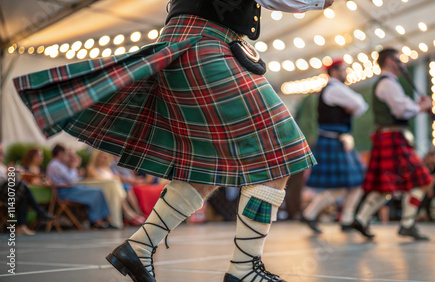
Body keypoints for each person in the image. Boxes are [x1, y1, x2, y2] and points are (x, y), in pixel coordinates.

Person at [14, 1, 335, 281]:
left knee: (208, 169)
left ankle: (139, 248)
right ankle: (243, 268)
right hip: (208, 45)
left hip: (188, 43)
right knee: (282, 150)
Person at [351, 48, 433, 241]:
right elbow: (401, 110)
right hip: (393, 138)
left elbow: (402, 105)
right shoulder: (388, 83)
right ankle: (407, 223)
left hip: (389, 138)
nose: (402, 64)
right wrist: (421, 107)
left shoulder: (389, 83)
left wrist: (417, 106)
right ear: (389, 61)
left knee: (386, 185)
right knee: (423, 180)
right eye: (399, 60)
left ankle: (361, 219)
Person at [301, 58, 368, 234]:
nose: (347, 73)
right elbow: (360, 105)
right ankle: (310, 214)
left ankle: (346, 218)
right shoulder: (335, 89)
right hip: (333, 141)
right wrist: (351, 107)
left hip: (339, 141)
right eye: (344, 69)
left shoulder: (336, 89)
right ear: (335, 72)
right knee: (341, 186)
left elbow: (360, 107)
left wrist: (352, 107)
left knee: (357, 183)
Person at [46, 144, 110, 229]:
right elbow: (71, 181)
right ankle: (96, 221)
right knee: (96, 192)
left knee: (98, 191)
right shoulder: (55, 165)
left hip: (69, 189)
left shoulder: (59, 164)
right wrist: (73, 167)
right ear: (60, 153)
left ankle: (102, 219)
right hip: (65, 192)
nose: (66, 157)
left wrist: (74, 169)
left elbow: (72, 179)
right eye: (66, 154)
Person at [0, 145, 54, 236]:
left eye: (2, 153)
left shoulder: (3, 166)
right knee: (23, 185)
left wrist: (10, 173)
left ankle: (21, 226)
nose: (2, 155)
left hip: (7, 192)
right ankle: (40, 211)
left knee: (23, 195)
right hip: (3, 192)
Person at [87, 150, 145, 226]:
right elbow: (98, 179)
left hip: (112, 189)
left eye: (105, 157)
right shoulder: (92, 167)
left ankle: (134, 213)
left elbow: (112, 178)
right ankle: (130, 214)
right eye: (101, 157)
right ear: (96, 157)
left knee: (125, 189)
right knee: (122, 190)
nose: (103, 159)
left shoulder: (106, 168)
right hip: (103, 190)